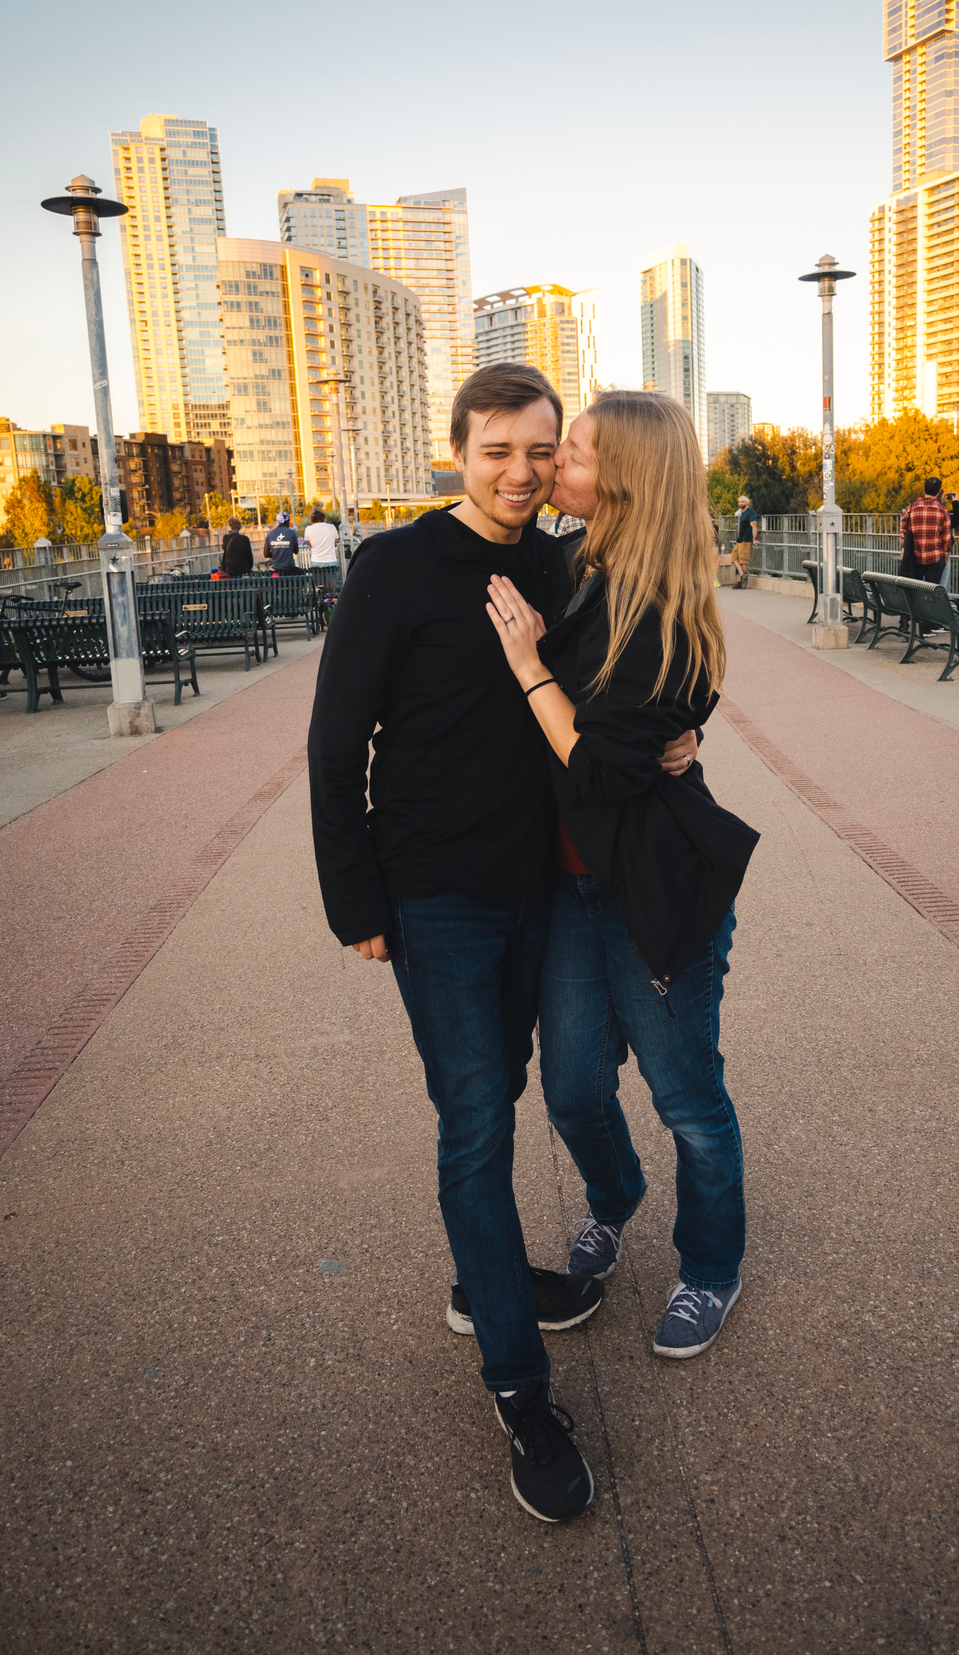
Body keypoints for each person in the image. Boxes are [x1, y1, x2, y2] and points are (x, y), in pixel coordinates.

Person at [308, 362, 699, 1525]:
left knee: (524, 1084)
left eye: (543, 451)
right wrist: (356, 902)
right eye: (499, 453)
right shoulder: (395, 568)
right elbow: (337, 747)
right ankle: (522, 1389)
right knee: (475, 1115)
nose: (524, 472)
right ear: (458, 450)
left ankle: (486, 1281)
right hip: (437, 896)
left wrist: (684, 737)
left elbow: (641, 666)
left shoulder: (567, 561)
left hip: (550, 890)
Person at [485, 390, 759, 1364]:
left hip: (651, 889)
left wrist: (528, 664)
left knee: (687, 1097)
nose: (554, 465)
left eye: (576, 454)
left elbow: (599, 765)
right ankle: (615, 1201)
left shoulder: (671, 611)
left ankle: (710, 1266)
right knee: (570, 1090)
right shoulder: (573, 564)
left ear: (630, 479)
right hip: (567, 884)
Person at [900, 477, 953, 586]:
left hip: (915, 558)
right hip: (936, 557)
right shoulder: (943, 510)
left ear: (924, 489)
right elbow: (947, 538)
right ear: (938, 492)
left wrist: (905, 548)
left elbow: (903, 532)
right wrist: (946, 556)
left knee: (916, 589)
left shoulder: (911, 508)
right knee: (932, 591)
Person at [732, 495, 757, 588]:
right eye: (739, 502)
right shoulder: (742, 513)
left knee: (743, 561)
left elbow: (754, 525)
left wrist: (754, 538)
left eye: (742, 502)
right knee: (733, 557)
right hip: (740, 540)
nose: (740, 503)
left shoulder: (750, 512)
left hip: (746, 540)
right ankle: (743, 575)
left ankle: (742, 582)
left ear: (747, 502)